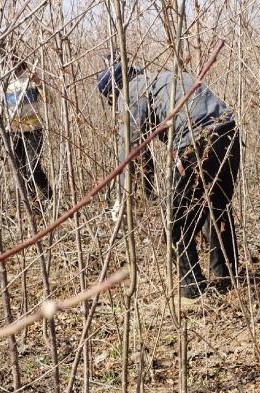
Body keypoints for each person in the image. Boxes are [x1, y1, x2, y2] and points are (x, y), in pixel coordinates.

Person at [98, 62, 240, 299]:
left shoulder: (132, 91)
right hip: (229, 134)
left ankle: (192, 290)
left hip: (198, 142)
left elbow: (131, 149)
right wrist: (149, 188)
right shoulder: (165, 78)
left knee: (177, 222)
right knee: (216, 208)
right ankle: (227, 277)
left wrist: (124, 195)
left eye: (112, 101)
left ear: (113, 92)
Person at [0, 60, 52, 201]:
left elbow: (50, 99)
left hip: (34, 129)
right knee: (21, 170)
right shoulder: (1, 84)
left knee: (32, 167)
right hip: (14, 131)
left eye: (14, 62)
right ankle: (32, 201)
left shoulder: (30, 80)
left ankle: (48, 197)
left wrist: (38, 82)